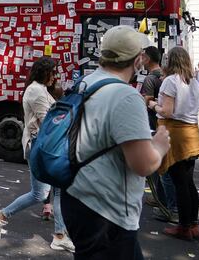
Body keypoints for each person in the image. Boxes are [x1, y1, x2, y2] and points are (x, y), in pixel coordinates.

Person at [61, 26, 170, 259]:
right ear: (138, 59)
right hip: (107, 210)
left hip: (76, 195)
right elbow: (142, 164)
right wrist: (159, 146)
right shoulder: (126, 96)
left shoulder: (85, 82)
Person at [0, 57, 75, 252]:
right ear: (45, 73)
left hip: (46, 146)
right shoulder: (37, 91)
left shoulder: (40, 89)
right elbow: (49, 124)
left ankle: (60, 235)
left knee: (58, 190)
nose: (56, 77)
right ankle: (0, 215)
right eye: (53, 73)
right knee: (40, 193)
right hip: (41, 146)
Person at [148, 47, 199, 241]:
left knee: (180, 183)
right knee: (188, 182)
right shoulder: (194, 82)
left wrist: (152, 104)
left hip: (175, 133)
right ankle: (193, 224)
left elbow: (167, 112)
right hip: (191, 133)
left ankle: (184, 227)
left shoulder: (171, 81)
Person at [138, 46, 177, 220]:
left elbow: (147, 103)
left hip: (154, 124)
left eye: (142, 56)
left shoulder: (149, 80)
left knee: (158, 165)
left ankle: (160, 200)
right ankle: (166, 200)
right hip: (167, 125)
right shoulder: (167, 77)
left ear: (147, 58)